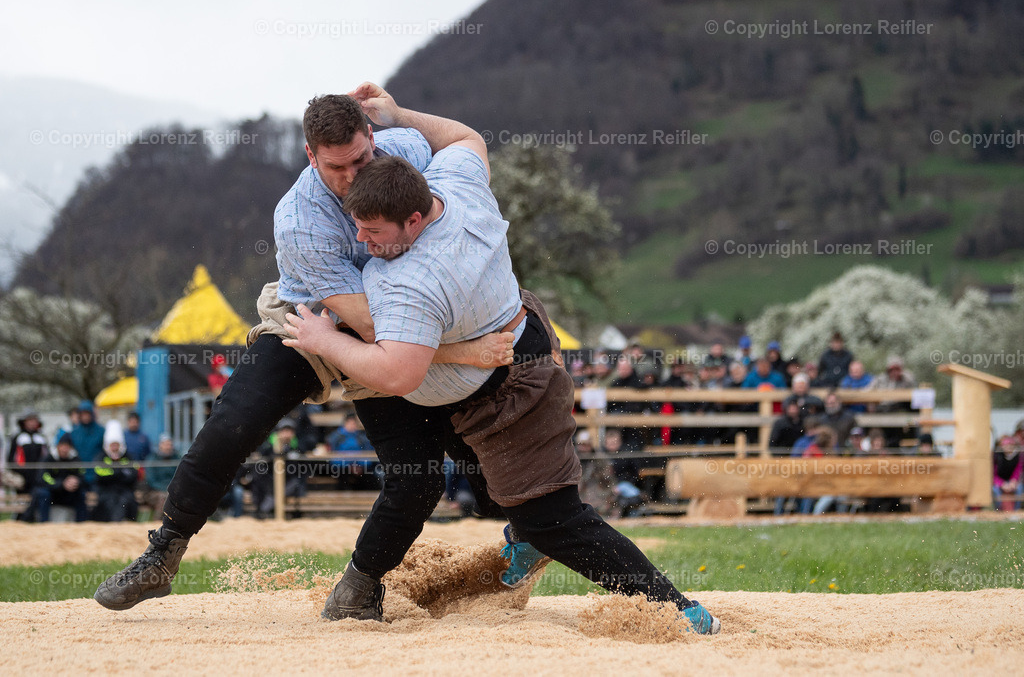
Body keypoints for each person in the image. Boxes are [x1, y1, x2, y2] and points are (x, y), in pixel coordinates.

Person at [94, 86, 535, 612]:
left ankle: (362, 583)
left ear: (373, 137)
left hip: (407, 330)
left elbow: (463, 141)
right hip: (315, 324)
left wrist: (397, 112)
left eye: (361, 159)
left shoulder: (405, 152)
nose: (352, 177)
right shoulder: (299, 220)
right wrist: (464, 352)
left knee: (419, 475)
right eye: (336, 168)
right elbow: (372, 328)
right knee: (234, 420)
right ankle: (163, 552)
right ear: (310, 156)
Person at [282, 126, 720, 633]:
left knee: (553, 518)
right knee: (488, 488)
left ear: (414, 218)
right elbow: (465, 137)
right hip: (506, 355)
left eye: (373, 232)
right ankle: (526, 536)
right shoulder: (458, 188)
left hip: (511, 390)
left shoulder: (409, 280)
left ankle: (675, 607)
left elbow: (398, 371)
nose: (361, 242)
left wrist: (325, 340)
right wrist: (399, 111)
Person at [31, 435, 88, 522]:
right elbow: (43, 478)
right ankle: (44, 523)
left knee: (81, 494)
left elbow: (82, 476)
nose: (65, 449)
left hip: (68, 493)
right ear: (57, 446)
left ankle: (81, 523)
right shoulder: (48, 458)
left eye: (67, 446)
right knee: (43, 494)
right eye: (62, 446)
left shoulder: (75, 459)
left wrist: (76, 481)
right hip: (52, 492)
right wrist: (61, 484)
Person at [92, 421, 139, 522]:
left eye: (116, 445)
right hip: (106, 490)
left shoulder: (128, 456)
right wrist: (119, 472)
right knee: (109, 501)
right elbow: (100, 475)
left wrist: (113, 473)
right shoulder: (101, 457)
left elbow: (133, 474)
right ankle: (114, 523)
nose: (114, 448)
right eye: (112, 445)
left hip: (125, 489)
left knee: (126, 500)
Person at [8, 409, 48, 521]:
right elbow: (12, 458)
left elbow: (46, 457)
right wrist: (20, 473)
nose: (32, 422)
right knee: (22, 502)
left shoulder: (41, 438)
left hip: (38, 476)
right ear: (24, 421)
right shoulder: (18, 437)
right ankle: (21, 519)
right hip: (23, 476)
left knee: (38, 498)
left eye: (34, 419)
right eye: (29, 420)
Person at [142, 434, 179, 521]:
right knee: (164, 497)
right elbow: (151, 480)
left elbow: (180, 477)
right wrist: (167, 489)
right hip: (154, 491)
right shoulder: (152, 459)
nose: (168, 447)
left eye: (169, 444)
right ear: (160, 445)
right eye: (165, 444)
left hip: (174, 490)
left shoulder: (177, 458)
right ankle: (158, 521)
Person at [992, 436, 1023, 511]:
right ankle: (999, 510)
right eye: (1006, 445)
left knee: (1019, 488)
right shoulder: (997, 457)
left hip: (1011, 482)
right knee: (995, 490)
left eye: (1010, 445)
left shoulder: (1018, 457)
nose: (1008, 447)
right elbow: (994, 475)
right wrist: (1002, 484)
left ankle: (1016, 510)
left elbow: (1017, 471)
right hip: (1000, 482)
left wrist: (1013, 482)